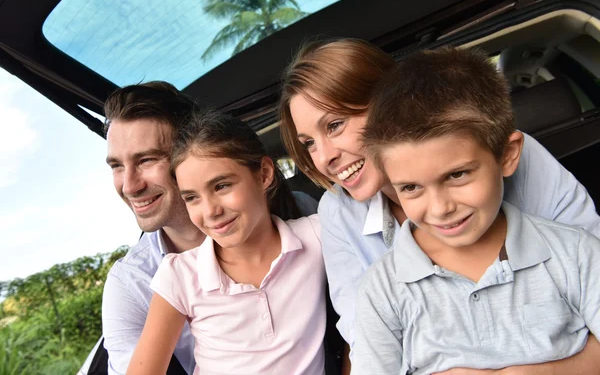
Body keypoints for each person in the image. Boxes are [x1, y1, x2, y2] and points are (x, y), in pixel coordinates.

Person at [278, 38, 600, 373]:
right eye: (309, 143)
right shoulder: (342, 218)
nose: (325, 157)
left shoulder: (565, 240)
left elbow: (586, 261)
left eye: (335, 125)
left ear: (389, 100)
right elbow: (367, 341)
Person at [101, 82, 318, 375]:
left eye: (147, 160)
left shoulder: (302, 218)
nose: (129, 185)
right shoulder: (133, 283)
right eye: (116, 166)